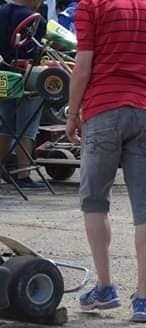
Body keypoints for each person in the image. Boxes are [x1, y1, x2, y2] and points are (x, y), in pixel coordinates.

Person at [65, 0, 146, 322]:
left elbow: (83, 66)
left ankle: (105, 288)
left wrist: (72, 114)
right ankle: (143, 299)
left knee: (95, 202)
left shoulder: (91, 5)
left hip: (103, 109)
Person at [0, 0, 47, 189]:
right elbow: (34, 52)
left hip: (4, 75)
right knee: (27, 126)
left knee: (5, 124)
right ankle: (23, 174)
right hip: (25, 74)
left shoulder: (1, 11)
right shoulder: (35, 19)